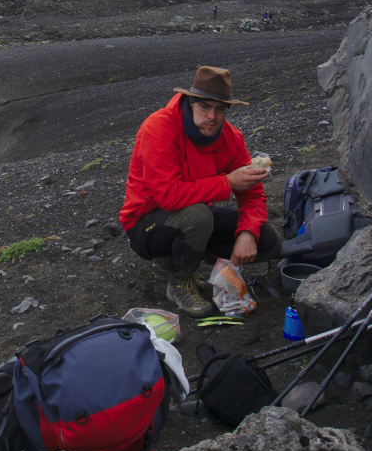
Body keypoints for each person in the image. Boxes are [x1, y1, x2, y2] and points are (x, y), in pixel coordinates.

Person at [120, 66, 281, 317]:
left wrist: (248, 232)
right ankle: (180, 280)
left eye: (220, 109)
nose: (212, 116)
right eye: (204, 107)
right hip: (146, 225)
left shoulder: (231, 138)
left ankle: (187, 254)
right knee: (198, 216)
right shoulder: (159, 128)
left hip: (192, 217)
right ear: (190, 102)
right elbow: (167, 196)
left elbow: (253, 194)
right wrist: (227, 182)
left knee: (269, 241)